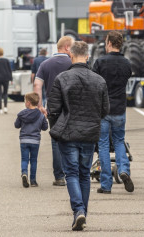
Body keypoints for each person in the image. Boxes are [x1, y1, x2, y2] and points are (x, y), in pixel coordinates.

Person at [47, 41, 109, 231]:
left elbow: (53, 109)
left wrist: (57, 128)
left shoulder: (62, 78)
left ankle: (78, 210)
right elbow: (105, 110)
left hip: (69, 133)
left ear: (71, 56)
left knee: (71, 173)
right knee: (84, 174)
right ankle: (82, 213)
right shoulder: (99, 80)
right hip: (89, 133)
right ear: (88, 56)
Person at [92, 31, 133, 194]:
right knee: (119, 141)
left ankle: (106, 184)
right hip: (120, 109)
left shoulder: (100, 62)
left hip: (103, 109)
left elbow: (94, 83)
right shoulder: (126, 63)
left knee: (102, 145)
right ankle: (124, 170)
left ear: (109, 43)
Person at [33, 36, 74, 186]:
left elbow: (37, 85)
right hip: (72, 106)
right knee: (72, 139)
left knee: (56, 140)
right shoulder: (73, 63)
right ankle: (72, 174)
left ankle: (59, 177)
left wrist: (39, 105)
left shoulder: (45, 64)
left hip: (53, 106)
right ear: (67, 47)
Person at [14, 92, 49, 188]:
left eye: (25, 101)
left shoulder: (22, 114)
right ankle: (33, 180)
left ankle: (24, 173)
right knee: (33, 160)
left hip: (24, 140)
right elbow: (45, 128)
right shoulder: (40, 115)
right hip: (35, 141)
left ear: (28, 103)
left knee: (24, 159)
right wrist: (45, 118)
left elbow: (16, 125)